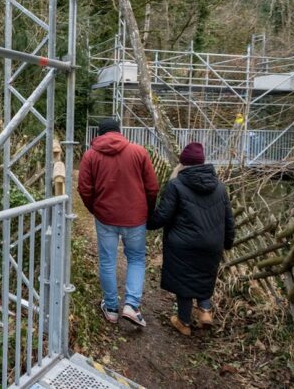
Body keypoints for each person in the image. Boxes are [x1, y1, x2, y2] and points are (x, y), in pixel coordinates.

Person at [78, 118, 159, 327]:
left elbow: (85, 189)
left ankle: (112, 308)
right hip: (135, 218)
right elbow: (152, 187)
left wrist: (94, 209)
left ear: (99, 134)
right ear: (119, 132)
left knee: (107, 260)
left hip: (106, 217)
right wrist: (147, 210)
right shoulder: (138, 152)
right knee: (136, 259)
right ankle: (131, 305)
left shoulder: (90, 156)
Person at [149, 142, 235, 336]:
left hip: (183, 243)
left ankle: (184, 321)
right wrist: (227, 242)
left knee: (184, 281)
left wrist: (147, 222)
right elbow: (228, 219)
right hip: (212, 243)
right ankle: (205, 311)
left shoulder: (176, 185)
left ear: (183, 163)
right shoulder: (220, 187)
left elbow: (163, 215)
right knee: (205, 275)